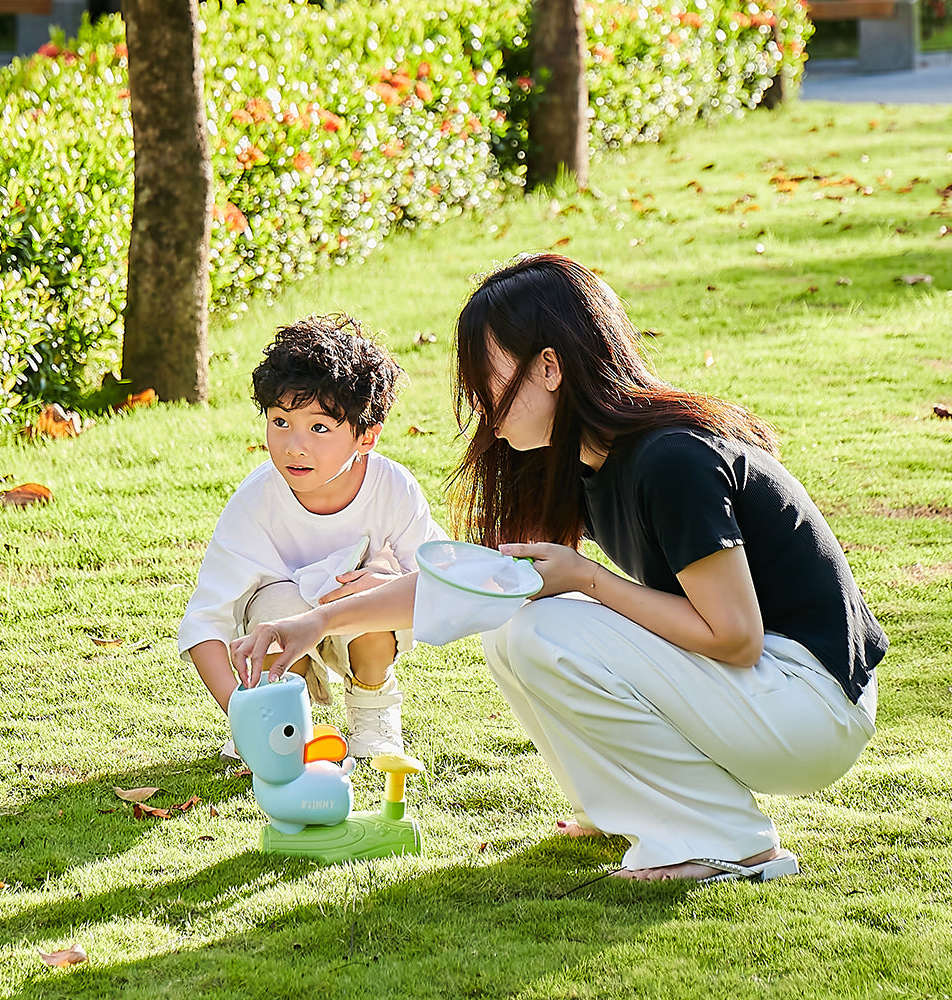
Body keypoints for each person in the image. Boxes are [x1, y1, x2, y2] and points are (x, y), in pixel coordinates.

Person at [230, 254, 886, 883]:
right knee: (514, 626)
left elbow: (736, 638)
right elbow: (478, 584)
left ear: (548, 367)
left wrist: (589, 580)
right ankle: (634, 815)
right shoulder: (579, 463)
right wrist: (316, 622)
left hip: (810, 705)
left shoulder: (672, 461)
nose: (478, 400)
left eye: (485, 375)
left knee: (542, 629)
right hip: (764, 697)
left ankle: (727, 844)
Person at [178, 314, 446, 758]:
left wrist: (386, 581)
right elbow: (206, 621)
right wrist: (241, 712)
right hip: (282, 636)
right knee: (275, 607)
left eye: (319, 427)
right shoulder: (256, 501)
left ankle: (372, 708)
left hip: (360, 637)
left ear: (366, 437)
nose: (294, 446)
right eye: (280, 421)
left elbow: (442, 581)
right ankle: (282, 716)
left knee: (369, 595)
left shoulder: (394, 489)